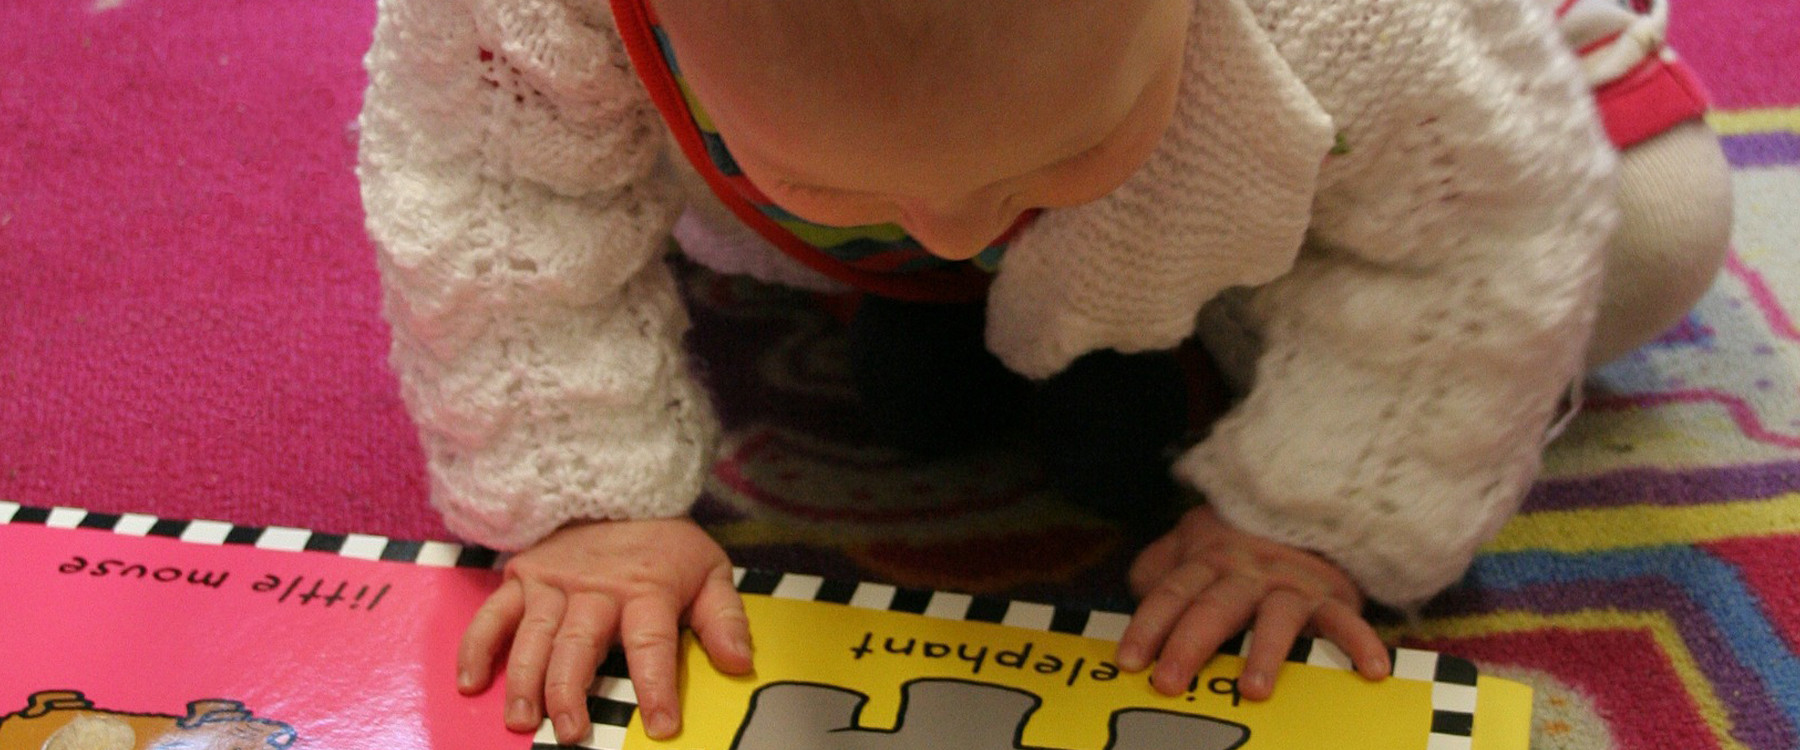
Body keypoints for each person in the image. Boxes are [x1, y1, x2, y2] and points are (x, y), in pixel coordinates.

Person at [356, 0, 1731, 743]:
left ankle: (1173, 279)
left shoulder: (1367, 21)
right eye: (855, 180)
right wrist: (583, 498)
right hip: (830, 139)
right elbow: (491, 194)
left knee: (1654, 232)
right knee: (829, 180)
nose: (953, 224)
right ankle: (989, 237)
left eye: (1037, 172)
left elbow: (1489, 230)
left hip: (1399, 122)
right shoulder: (526, 15)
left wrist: (1322, 507)